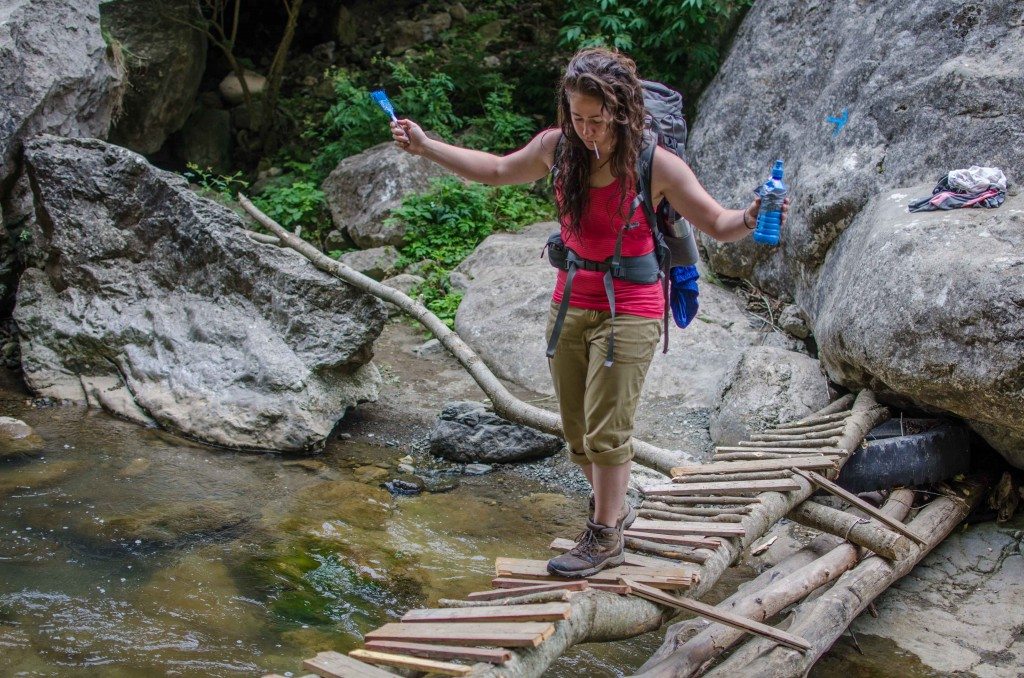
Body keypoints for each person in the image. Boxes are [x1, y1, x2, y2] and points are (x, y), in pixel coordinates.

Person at [390, 48, 787, 578]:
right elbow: (497, 170)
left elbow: (718, 223)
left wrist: (753, 214)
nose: (586, 130)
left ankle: (604, 538)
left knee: (607, 430)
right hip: (571, 301)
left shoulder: (655, 164)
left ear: (621, 112)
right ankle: (614, 513)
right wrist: (426, 147)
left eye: (596, 120)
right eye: (577, 117)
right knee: (577, 435)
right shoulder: (558, 149)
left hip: (634, 306)